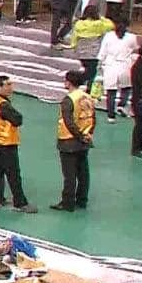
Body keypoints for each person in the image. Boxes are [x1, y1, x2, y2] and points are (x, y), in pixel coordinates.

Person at [0, 75, 37, 213]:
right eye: (7, 85)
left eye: (11, 84)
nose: (10, 87)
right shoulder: (3, 104)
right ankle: (20, 203)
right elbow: (17, 119)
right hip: (5, 141)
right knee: (13, 172)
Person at [53, 69, 96, 212]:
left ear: (69, 82)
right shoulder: (87, 97)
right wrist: (87, 134)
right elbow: (92, 118)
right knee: (83, 172)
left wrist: (78, 135)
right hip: (85, 140)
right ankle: (82, 199)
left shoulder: (69, 99)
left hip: (69, 141)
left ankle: (68, 202)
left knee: (69, 174)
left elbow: (68, 122)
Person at [98, 19, 139, 124]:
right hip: (125, 65)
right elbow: (135, 48)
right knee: (126, 87)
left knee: (111, 92)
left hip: (110, 65)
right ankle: (121, 105)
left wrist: (100, 62)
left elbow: (103, 51)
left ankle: (111, 116)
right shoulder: (131, 37)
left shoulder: (108, 35)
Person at [69, 6, 114, 92]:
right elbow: (111, 25)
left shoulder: (79, 24)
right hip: (93, 53)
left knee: (89, 71)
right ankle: (75, 81)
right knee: (91, 73)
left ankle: (86, 88)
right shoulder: (98, 24)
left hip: (81, 53)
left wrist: (74, 46)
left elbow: (74, 37)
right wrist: (101, 17)